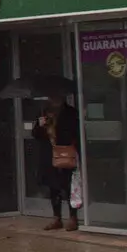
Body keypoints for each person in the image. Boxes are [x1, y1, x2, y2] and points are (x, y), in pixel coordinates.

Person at [34, 91, 81, 231]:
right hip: (49, 155)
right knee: (53, 187)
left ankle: (73, 217)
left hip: (65, 152)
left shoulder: (71, 113)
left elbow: (75, 132)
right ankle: (57, 218)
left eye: (56, 96)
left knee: (67, 186)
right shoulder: (43, 113)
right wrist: (40, 125)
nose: (53, 99)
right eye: (51, 96)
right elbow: (35, 134)